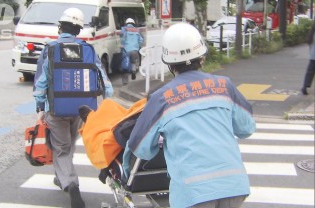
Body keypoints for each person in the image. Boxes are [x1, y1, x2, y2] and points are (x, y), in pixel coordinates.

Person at [122, 23, 256, 208]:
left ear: (169, 63)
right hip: (234, 186)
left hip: (193, 192)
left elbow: (141, 148)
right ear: (201, 57)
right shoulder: (225, 86)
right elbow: (246, 128)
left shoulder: (162, 98)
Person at [33, 8, 113, 208]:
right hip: (80, 109)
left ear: (61, 27)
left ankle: (71, 185)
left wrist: (40, 107)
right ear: (78, 29)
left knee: (61, 149)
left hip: (56, 108)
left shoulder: (50, 48)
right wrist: (107, 101)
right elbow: (104, 79)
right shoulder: (87, 49)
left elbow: (41, 83)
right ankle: (61, 178)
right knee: (66, 146)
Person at [120, 18, 144, 85]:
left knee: (124, 65)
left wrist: (122, 45)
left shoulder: (124, 29)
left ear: (126, 23)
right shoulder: (137, 30)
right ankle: (133, 71)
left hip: (126, 50)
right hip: (135, 50)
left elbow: (122, 38)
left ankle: (125, 82)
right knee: (133, 62)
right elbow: (141, 40)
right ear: (133, 23)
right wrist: (137, 46)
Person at [301, 22, 315, 95]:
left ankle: (305, 86)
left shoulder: (312, 31)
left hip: (313, 55)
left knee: (310, 71)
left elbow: (310, 43)